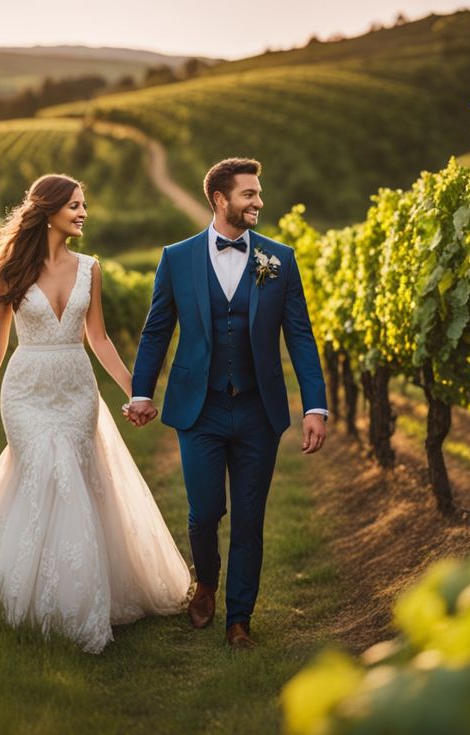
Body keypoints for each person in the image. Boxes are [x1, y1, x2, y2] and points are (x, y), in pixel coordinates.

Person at [0, 174, 191, 654]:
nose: (83, 213)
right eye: (74, 206)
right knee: (48, 471)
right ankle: (33, 599)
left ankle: (74, 599)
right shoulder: (11, 269)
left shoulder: (91, 268)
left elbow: (99, 339)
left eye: (84, 205)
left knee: (75, 478)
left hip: (76, 389)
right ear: (48, 212)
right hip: (25, 391)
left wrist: (138, 390)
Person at [126, 157, 328, 650]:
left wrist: (315, 406)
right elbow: (157, 329)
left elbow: (300, 335)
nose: (259, 202)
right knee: (204, 511)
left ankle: (239, 620)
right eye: (249, 194)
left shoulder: (280, 258)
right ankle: (207, 582)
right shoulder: (177, 258)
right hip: (201, 408)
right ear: (220, 200)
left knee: (250, 519)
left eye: (259, 193)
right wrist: (141, 390)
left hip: (259, 410)